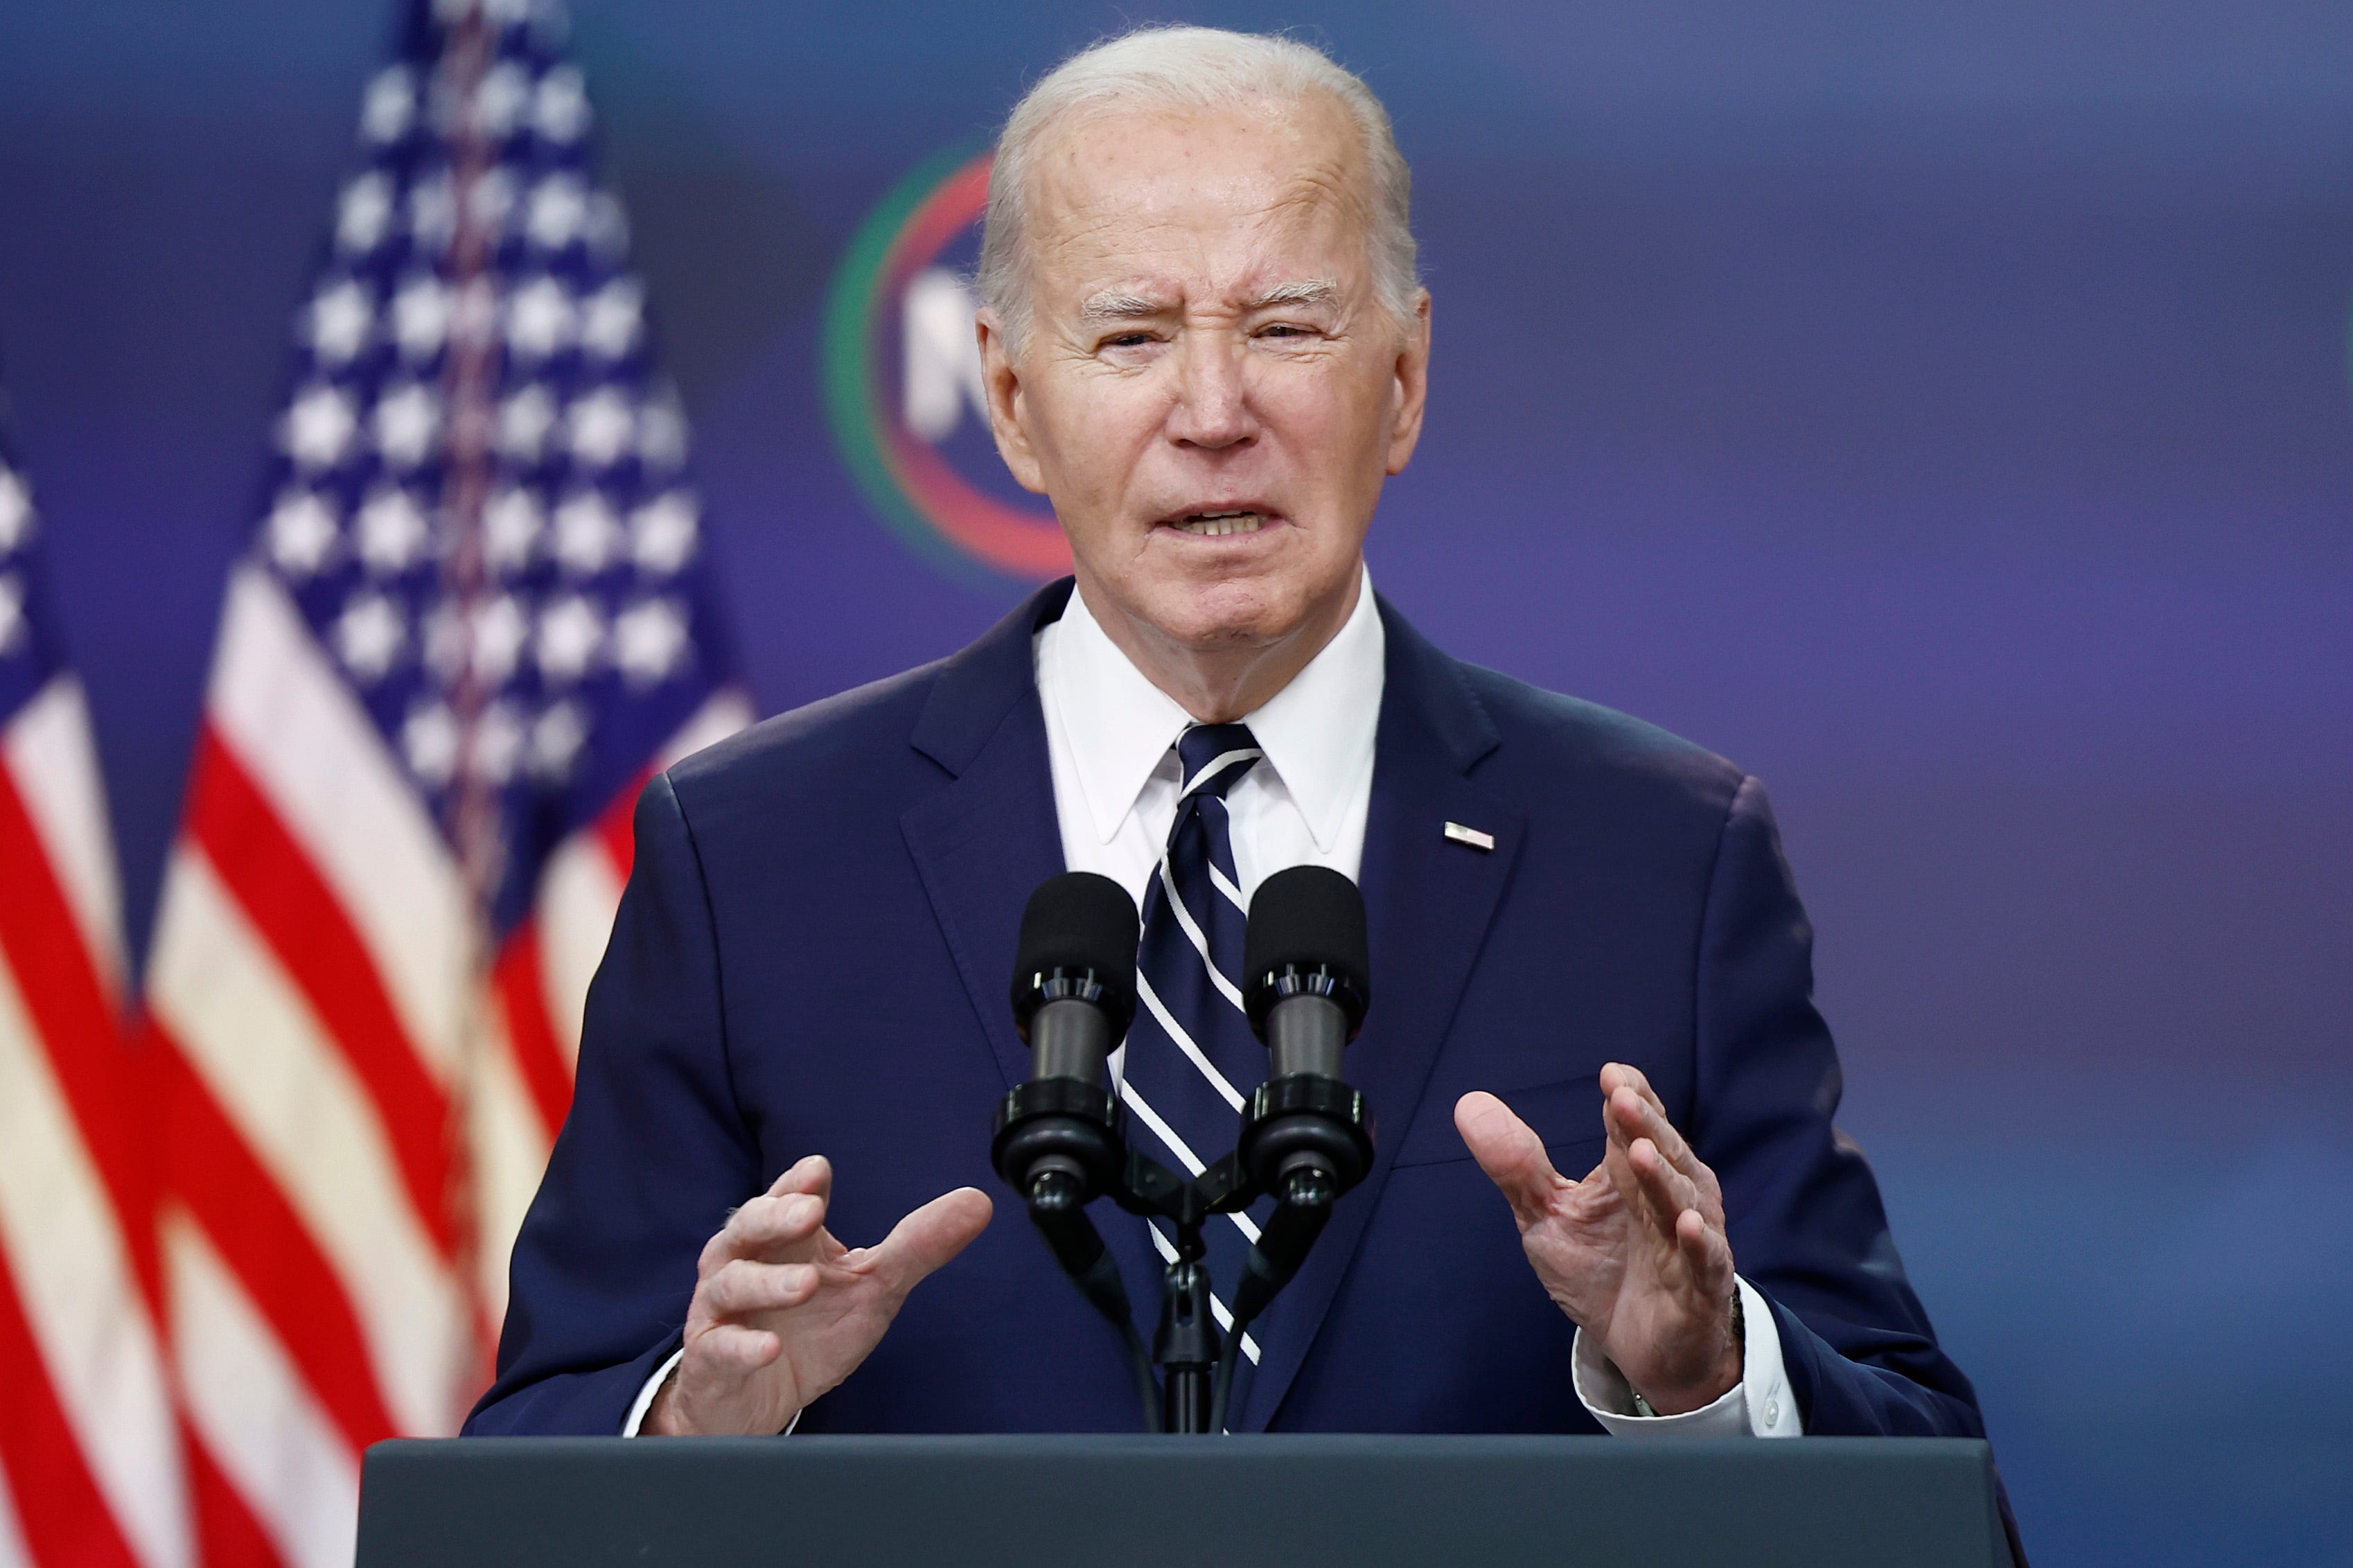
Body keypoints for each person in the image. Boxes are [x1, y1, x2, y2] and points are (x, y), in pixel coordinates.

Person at [469, 26, 2000, 1477]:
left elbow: (1937, 1505)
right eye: (1132, 336)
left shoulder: (1658, 860)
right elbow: (527, 1465)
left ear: (1402, 380)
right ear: (1011, 401)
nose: (1213, 411)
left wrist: (1709, 1374)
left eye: (1286, 328)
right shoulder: (754, 860)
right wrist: (701, 1427)